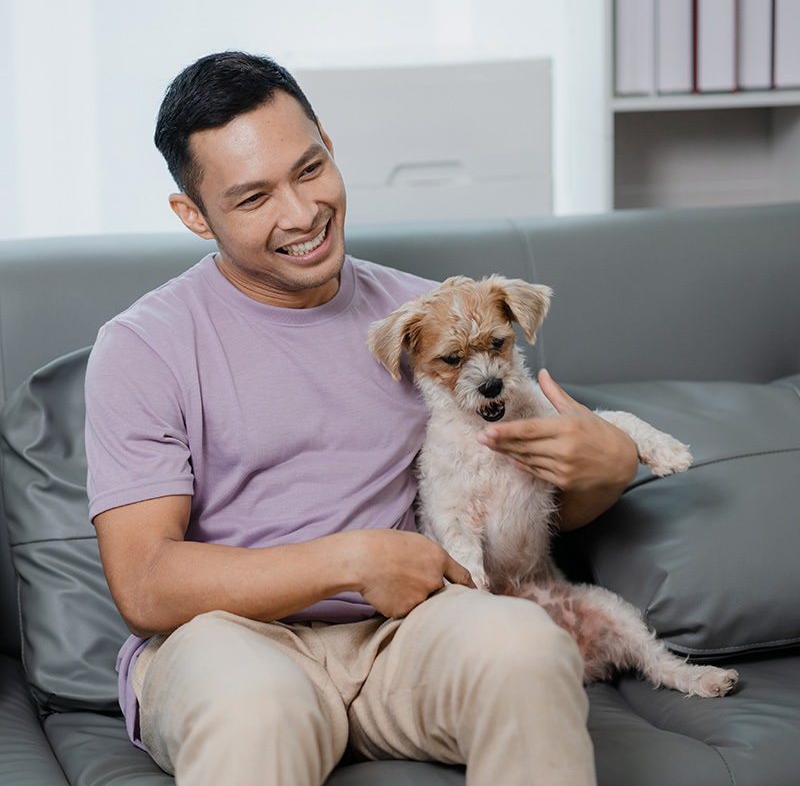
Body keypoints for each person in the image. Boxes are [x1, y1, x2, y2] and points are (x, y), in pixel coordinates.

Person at [85, 51, 638, 786]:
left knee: (527, 647)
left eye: (309, 170)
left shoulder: (432, 325)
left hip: (407, 631)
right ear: (194, 214)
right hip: (226, 639)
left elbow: (516, 508)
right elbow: (146, 583)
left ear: (331, 149)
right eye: (253, 199)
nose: (302, 213)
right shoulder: (142, 346)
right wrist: (350, 560)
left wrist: (610, 469)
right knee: (258, 709)